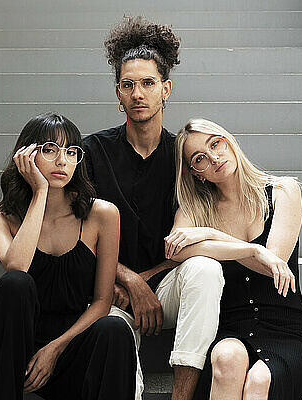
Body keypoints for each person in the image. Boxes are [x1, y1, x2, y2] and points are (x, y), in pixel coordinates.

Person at [82, 16, 225, 400]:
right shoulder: (92, 152)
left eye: (147, 83)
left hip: (167, 284)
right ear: (117, 93)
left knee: (206, 269)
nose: (138, 93)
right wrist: (127, 279)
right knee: (109, 330)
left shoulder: (185, 156)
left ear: (166, 89)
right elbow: (78, 234)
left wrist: (146, 282)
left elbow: (193, 239)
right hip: (109, 288)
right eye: (128, 85)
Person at [0, 112, 136, 400]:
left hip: (67, 347)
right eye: (50, 150)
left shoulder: (102, 214)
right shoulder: (0, 216)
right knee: (15, 285)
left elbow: (102, 302)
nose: (62, 161)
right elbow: (17, 267)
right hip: (10, 347)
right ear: (25, 156)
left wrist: (55, 349)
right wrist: (40, 192)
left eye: (71, 152)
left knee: (115, 328)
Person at [165, 118, 302, 400]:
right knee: (227, 359)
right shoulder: (195, 209)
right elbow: (176, 250)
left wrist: (211, 234)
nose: (213, 158)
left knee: (259, 381)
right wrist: (251, 249)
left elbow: (273, 263)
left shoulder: (282, 191)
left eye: (216, 144)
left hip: (287, 331)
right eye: (200, 158)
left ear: (229, 141)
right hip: (230, 329)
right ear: (196, 173)